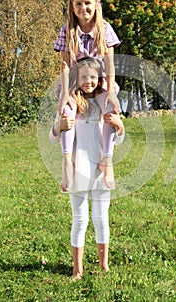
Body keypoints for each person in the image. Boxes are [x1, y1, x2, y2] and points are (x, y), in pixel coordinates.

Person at [49, 57, 125, 280]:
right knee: (80, 219)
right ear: (77, 79)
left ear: (99, 79)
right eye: (83, 77)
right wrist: (58, 126)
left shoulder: (104, 102)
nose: (88, 81)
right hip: (78, 166)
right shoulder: (71, 103)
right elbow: (54, 136)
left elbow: (116, 139)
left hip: (101, 165)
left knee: (101, 218)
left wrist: (120, 128)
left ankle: (104, 265)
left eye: (93, 77)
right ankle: (77, 269)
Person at [54, 0, 121, 189]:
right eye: (78, 4)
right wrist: (65, 94)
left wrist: (110, 91)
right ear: (72, 7)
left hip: (99, 82)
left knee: (110, 109)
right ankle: (67, 164)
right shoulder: (67, 30)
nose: (83, 7)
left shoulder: (105, 28)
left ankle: (107, 161)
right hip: (74, 83)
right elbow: (64, 64)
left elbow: (109, 62)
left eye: (87, 3)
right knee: (67, 112)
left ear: (96, 4)